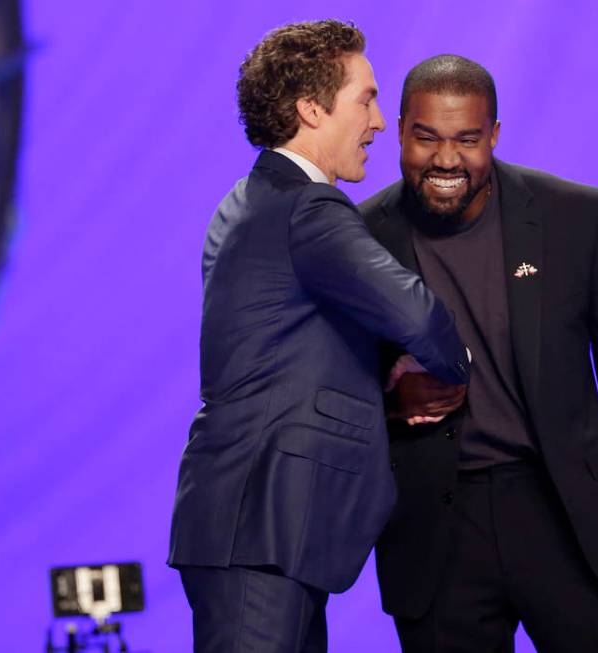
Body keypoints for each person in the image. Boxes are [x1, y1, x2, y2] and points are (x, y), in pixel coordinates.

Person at [359, 54, 598, 652]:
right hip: (437, 528)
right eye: (426, 138)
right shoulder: (360, 236)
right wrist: (390, 403)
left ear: (493, 134)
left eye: (467, 139)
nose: (445, 159)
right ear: (399, 130)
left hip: (569, 519)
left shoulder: (580, 217)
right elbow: (328, 385)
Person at [167, 26, 469, 653]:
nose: (380, 122)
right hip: (262, 527)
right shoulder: (308, 208)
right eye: (366, 99)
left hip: (255, 527)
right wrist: (449, 365)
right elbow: (422, 319)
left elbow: (288, 352)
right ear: (312, 108)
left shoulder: (245, 202)